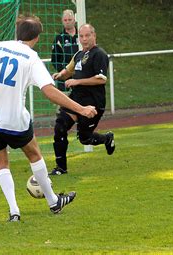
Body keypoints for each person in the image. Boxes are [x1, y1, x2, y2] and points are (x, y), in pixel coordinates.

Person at [0, 15, 97, 222]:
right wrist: (81, 108)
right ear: (36, 38)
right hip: (13, 119)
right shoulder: (31, 57)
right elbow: (50, 91)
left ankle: (14, 211)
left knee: (1, 162)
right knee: (34, 154)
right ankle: (53, 201)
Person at [49, 24, 115, 176]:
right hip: (76, 99)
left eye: (87, 36)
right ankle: (61, 168)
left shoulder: (99, 54)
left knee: (85, 139)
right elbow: (69, 70)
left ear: (94, 36)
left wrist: (77, 82)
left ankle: (106, 138)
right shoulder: (78, 54)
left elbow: (100, 80)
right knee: (60, 126)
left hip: (93, 102)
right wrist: (59, 75)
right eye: (81, 36)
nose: (84, 39)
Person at [51, 9, 79, 91]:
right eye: (65, 20)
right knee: (65, 102)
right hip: (65, 77)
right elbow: (55, 59)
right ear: (62, 21)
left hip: (80, 75)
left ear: (74, 20)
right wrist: (64, 72)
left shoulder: (81, 35)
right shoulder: (59, 38)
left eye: (70, 20)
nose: (67, 22)